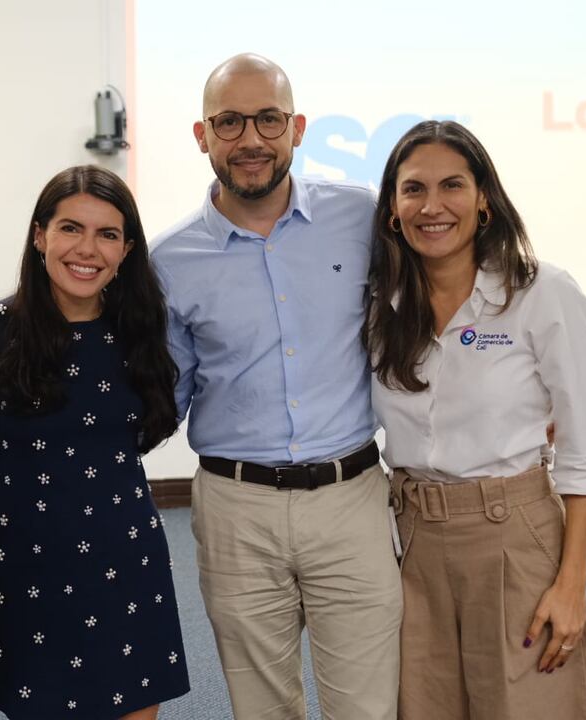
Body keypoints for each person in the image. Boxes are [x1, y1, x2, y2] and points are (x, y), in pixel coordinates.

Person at [150, 54, 401, 720]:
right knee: (262, 709)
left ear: (298, 128)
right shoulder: (168, 260)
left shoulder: (362, 217)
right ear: (202, 136)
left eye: (268, 119)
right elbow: (163, 394)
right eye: (229, 122)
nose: (251, 139)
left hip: (351, 500)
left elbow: (428, 312)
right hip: (235, 509)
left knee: (368, 709)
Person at [365, 120, 586, 719]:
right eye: (413, 189)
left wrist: (571, 585)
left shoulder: (543, 293)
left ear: (484, 201)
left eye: (452, 185)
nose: (432, 206)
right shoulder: (379, 306)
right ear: (393, 210)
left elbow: (584, 453)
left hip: (513, 537)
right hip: (412, 544)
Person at [0, 165, 190, 720]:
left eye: (108, 234)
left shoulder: (142, 328)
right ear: (40, 236)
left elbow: (150, 424)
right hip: (31, 560)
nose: (88, 249)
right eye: (70, 228)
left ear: (127, 250)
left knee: (132, 704)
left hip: (127, 552)